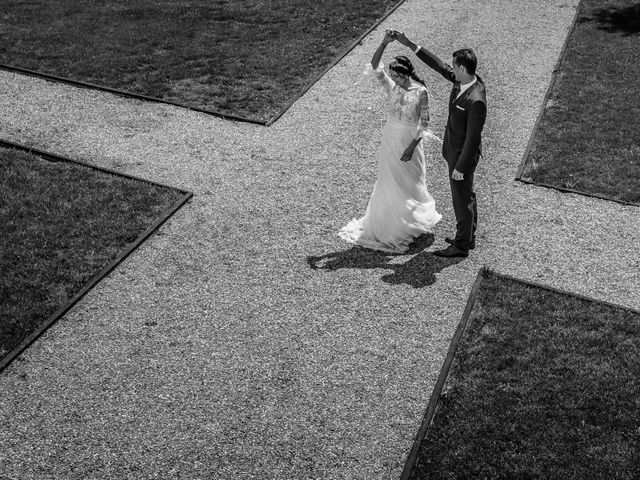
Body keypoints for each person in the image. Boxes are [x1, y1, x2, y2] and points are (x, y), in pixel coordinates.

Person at [338, 30, 442, 254]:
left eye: (396, 76)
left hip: (409, 142)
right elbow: (375, 66)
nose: (392, 79)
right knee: (388, 182)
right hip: (390, 140)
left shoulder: (421, 92)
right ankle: (390, 225)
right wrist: (384, 43)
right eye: (392, 76)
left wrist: (411, 147)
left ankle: (407, 222)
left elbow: (424, 124)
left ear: (405, 76)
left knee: (409, 182)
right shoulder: (392, 87)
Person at [392, 30, 487, 257]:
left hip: (461, 156)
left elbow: (473, 139)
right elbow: (438, 65)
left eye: (454, 66)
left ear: (462, 69)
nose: (450, 69)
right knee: (467, 195)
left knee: (461, 200)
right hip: (453, 149)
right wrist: (410, 44)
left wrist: (460, 168)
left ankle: (461, 246)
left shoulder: (476, 100)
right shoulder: (463, 80)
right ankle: (468, 237)